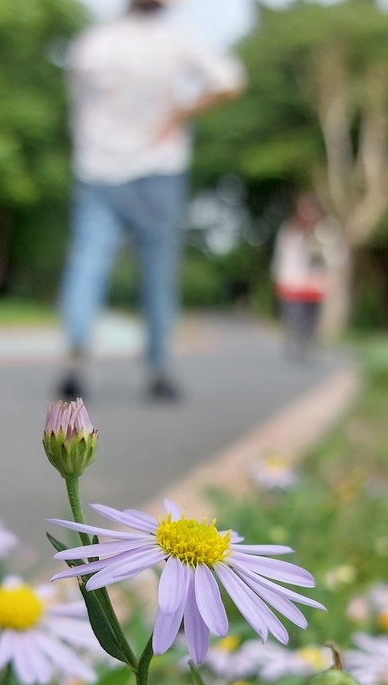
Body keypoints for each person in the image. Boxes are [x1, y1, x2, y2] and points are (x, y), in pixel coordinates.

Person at [56, 0, 246, 401]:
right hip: (158, 167)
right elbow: (231, 80)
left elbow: (75, 95)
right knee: (158, 274)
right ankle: (158, 368)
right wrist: (180, 114)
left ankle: (76, 352)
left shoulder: (95, 42)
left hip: (96, 168)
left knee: (87, 266)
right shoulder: (176, 39)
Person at [271, 194, 330, 361]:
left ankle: (306, 345)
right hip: (292, 283)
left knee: (310, 319)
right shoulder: (290, 230)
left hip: (313, 285)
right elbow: (282, 256)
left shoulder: (324, 231)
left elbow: (332, 257)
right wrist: (278, 277)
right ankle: (294, 344)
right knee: (294, 317)